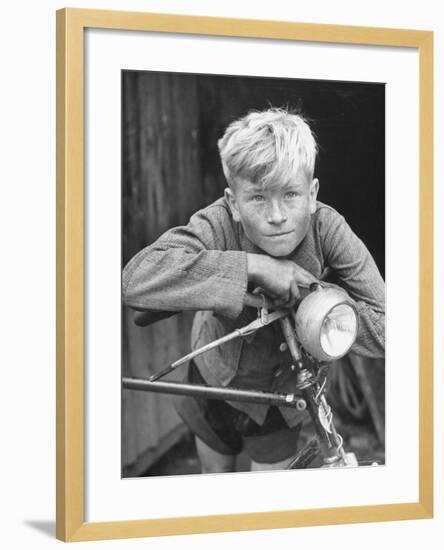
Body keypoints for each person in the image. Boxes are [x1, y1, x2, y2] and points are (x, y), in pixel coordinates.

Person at [122, 107, 385, 473]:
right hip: (213, 375)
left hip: (280, 394)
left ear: (312, 194)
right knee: (215, 480)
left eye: (290, 195)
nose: (276, 215)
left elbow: (387, 327)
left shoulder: (328, 229)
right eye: (258, 198)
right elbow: (135, 280)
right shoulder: (217, 223)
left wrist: (311, 295)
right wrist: (254, 267)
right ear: (232, 203)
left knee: (266, 497)